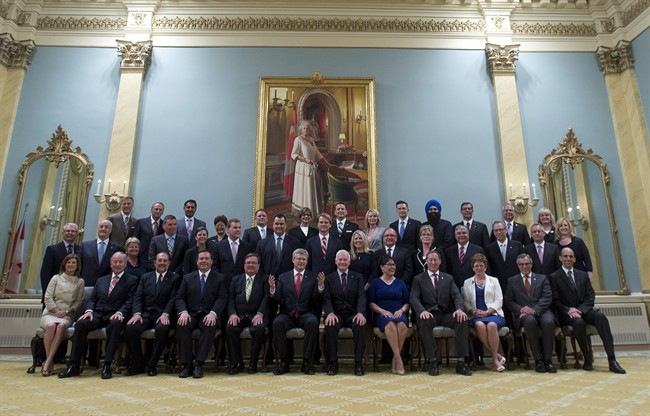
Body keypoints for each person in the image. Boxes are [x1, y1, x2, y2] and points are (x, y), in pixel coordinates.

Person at [58, 252, 138, 380]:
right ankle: (73, 365)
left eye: (120, 262)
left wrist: (120, 312)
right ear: (111, 264)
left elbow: (130, 301)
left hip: (116, 315)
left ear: (125, 263)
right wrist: (89, 311)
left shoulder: (132, 280)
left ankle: (107, 365)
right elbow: (92, 299)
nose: (117, 264)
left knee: (115, 325)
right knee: (80, 324)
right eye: (114, 262)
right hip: (97, 315)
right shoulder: (101, 280)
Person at [549, 248, 625, 374]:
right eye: (565, 256)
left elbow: (590, 296)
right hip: (567, 314)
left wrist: (580, 310)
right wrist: (569, 310)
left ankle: (612, 360)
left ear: (574, 259)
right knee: (578, 322)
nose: (568, 259)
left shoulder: (582, 275)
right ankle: (587, 358)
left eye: (571, 256)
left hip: (583, 310)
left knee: (601, 317)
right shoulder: (554, 277)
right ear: (560, 258)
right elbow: (555, 301)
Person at [411, 250, 472, 376]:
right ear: (426, 261)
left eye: (435, 260)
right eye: (430, 260)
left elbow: (457, 296)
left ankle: (461, 362)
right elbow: (414, 297)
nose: (433, 262)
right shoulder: (418, 279)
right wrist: (422, 311)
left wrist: (459, 309)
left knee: (462, 319)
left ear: (440, 262)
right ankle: (433, 362)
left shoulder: (448, 278)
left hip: (446, 314)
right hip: (429, 314)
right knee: (423, 321)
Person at [124, 252, 180, 376]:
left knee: (162, 330)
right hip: (146, 314)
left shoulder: (175, 278)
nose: (162, 263)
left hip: (163, 315)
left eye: (165, 261)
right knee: (131, 329)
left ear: (169, 263)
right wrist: (137, 313)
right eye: (159, 260)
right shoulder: (145, 277)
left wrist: (166, 314)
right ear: (154, 263)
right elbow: (138, 297)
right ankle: (138, 363)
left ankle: (152, 364)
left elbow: (173, 299)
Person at [270, 248, 324, 375]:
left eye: (303, 259)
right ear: (293, 260)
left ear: (307, 261)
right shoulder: (283, 277)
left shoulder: (313, 277)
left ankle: (307, 362)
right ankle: (284, 362)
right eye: (298, 259)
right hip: (288, 314)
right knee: (277, 323)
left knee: (313, 322)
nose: (301, 261)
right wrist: (272, 290)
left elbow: (317, 300)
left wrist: (320, 287)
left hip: (306, 314)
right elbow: (277, 299)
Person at [175, 250, 228, 378]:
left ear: (211, 261)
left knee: (210, 325)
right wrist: (183, 312)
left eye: (206, 259)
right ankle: (187, 365)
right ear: (197, 262)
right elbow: (179, 297)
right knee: (182, 325)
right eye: (201, 259)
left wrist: (213, 313)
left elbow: (222, 298)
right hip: (191, 314)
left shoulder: (220, 278)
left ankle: (199, 363)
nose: (203, 261)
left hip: (208, 314)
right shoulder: (187, 278)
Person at [505, 253, 557, 373]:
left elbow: (547, 297)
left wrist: (534, 310)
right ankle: (538, 360)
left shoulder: (542, 278)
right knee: (529, 321)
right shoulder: (512, 281)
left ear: (531, 264)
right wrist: (521, 309)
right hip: (524, 314)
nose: (525, 266)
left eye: (527, 264)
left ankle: (548, 360)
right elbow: (509, 301)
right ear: (518, 266)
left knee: (549, 322)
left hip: (542, 311)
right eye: (521, 264)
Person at [39, 254, 84, 376]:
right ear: (64, 264)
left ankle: (47, 362)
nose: (70, 265)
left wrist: (67, 311)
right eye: (68, 262)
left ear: (77, 266)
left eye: (73, 263)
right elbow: (47, 297)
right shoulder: (56, 278)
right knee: (51, 325)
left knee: (60, 327)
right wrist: (55, 311)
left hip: (67, 315)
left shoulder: (80, 282)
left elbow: (79, 301)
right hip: (50, 312)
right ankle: (50, 360)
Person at [323, 250, 367, 376]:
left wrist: (360, 313)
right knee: (330, 325)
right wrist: (330, 313)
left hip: (353, 314)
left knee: (360, 324)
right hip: (336, 314)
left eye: (345, 260)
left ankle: (358, 363)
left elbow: (361, 297)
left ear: (349, 262)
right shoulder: (329, 278)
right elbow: (326, 298)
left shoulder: (358, 277)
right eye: (340, 260)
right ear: (336, 262)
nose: (342, 262)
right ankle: (332, 363)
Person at [462, 253, 507, 372]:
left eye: (481, 265)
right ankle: (496, 356)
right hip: (476, 316)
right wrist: (472, 310)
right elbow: (465, 302)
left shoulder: (494, 281)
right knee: (479, 325)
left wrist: (488, 312)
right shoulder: (467, 282)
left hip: (493, 314)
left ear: (485, 267)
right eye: (476, 266)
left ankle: (494, 359)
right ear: (473, 268)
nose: (479, 268)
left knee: (492, 326)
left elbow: (499, 300)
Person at [225, 253, 269, 375]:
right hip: (239, 315)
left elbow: (266, 297)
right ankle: (237, 363)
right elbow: (231, 299)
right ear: (244, 265)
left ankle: (253, 363)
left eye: (253, 263)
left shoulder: (264, 279)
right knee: (230, 328)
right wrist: (232, 314)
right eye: (248, 262)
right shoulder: (235, 279)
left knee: (259, 329)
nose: (250, 265)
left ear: (258, 266)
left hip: (256, 315)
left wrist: (260, 313)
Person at [368, 255, 410, 375]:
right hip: (382, 313)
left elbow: (407, 302)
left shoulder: (400, 282)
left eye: (393, 265)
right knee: (390, 323)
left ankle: (395, 358)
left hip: (398, 312)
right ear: (382, 267)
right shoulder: (376, 283)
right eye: (389, 265)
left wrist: (401, 310)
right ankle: (398, 358)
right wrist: (382, 311)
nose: (392, 267)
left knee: (402, 324)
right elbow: (371, 302)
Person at [290, 121, 333, 215]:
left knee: (312, 189)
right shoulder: (298, 139)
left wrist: (328, 165)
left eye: (308, 128)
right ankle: (304, 212)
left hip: (312, 169)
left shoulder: (311, 140)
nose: (306, 130)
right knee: (305, 189)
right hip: (303, 169)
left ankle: (314, 211)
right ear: (301, 129)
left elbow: (318, 155)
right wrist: (305, 160)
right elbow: (293, 154)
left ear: (310, 130)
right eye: (304, 128)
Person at [40, 223, 79, 299]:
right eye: (67, 231)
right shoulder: (52, 249)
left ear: (77, 233)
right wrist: (48, 294)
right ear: (63, 233)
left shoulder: (80, 250)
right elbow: (45, 274)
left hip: (73, 295)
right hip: (54, 294)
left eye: (73, 231)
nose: (70, 233)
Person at [78, 220, 123, 287]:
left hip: (105, 286)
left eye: (106, 227)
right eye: (101, 227)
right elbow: (79, 265)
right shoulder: (85, 246)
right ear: (98, 229)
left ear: (110, 230)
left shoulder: (117, 248)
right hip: (85, 284)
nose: (103, 229)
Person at [256, 213, 300, 278]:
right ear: (273, 225)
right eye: (276, 224)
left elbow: (298, 263)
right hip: (268, 281)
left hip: (288, 281)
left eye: (282, 224)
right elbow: (259, 264)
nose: (279, 226)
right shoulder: (262, 243)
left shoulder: (295, 243)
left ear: (286, 225)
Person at [485, 220, 524, 291]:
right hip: (497, 283)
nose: (498, 232)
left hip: (516, 282)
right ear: (493, 233)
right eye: (496, 230)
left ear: (506, 230)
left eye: (501, 229)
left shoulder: (517, 245)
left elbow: (522, 263)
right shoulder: (489, 248)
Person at [214, 219, 254, 287]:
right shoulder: (218, 246)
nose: (238, 230)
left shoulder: (247, 247)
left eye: (239, 227)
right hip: (223, 284)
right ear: (227, 230)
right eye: (235, 227)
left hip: (241, 285)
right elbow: (215, 266)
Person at [445, 224, 485, 289]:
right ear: (455, 236)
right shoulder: (448, 252)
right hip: (454, 288)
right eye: (458, 233)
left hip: (473, 287)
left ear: (468, 234)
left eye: (464, 233)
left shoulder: (478, 250)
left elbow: (484, 271)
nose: (461, 235)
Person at [306, 213, 341, 277]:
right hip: (315, 278)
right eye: (321, 222)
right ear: (317, 225)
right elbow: (308, 263)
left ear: (330, 225)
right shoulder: (310, 242)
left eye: (326, 222)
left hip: (332, 278)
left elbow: (339, 262)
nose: (323, 224)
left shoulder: (337, 242)